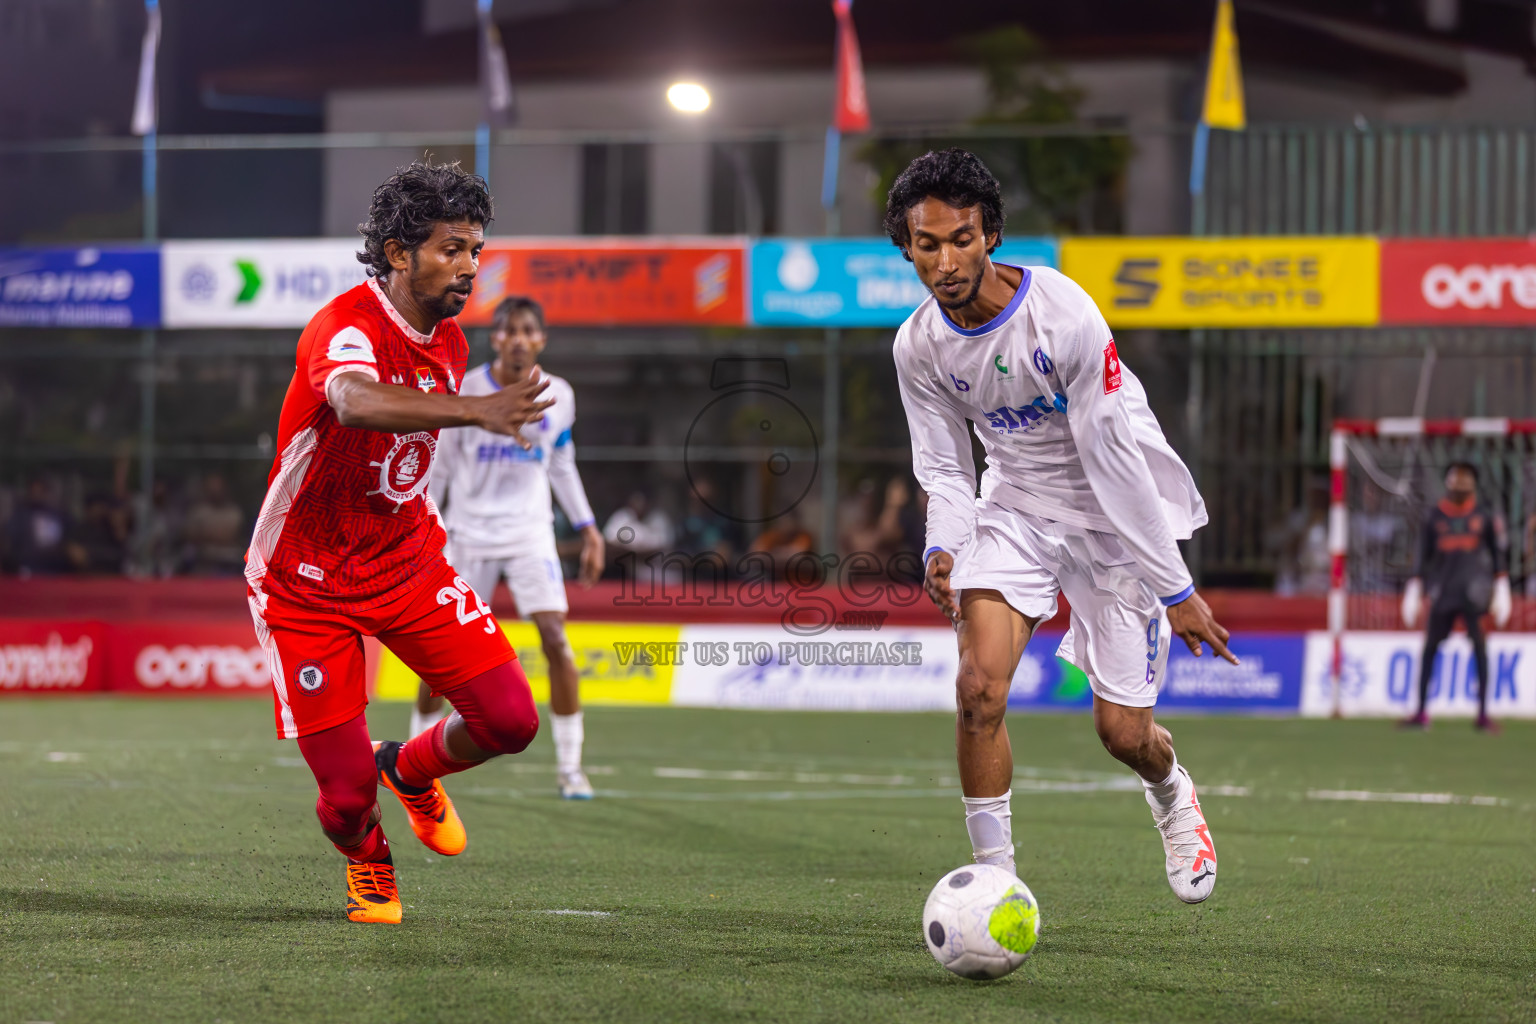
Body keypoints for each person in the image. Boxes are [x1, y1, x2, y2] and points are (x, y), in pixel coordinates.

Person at [887, 149, 1235, 904]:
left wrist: (1176, 588)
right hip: (1015, 510)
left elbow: (1115, 463)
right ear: (907, 248)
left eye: (963, 238)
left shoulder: (1064, 313)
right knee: (977, 688)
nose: (946, 260)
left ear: (991, 235)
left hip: (1115, 521)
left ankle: (1173, 793)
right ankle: (995, 885)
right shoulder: (918, 346)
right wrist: (942, 543)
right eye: (927, 244)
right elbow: (945, 468)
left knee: (1124, 735)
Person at [244, 160, 553, 924]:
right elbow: (350, 401)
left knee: (511, 720)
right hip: (304, 578)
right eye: (453, 249)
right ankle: (369, 862)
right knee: (344, 799)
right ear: (397, 253)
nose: (470, 267)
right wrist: (476, 411)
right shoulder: (344, 325)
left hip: (405, 559)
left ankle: (409, 770)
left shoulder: (446, 338)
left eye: (476, 250)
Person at [414, 295, 606, 800]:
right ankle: (415, 760)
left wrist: (587, 527)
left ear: (541, 339)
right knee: (439, 652)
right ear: (495, 338)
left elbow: (560, 462)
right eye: (509, 331)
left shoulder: (558, 394)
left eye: (528, 331)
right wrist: (425, 529)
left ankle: (570, 768)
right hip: (468, 532)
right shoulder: (468, 390)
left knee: (556, 640)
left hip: (528, 533)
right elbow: (441, 467)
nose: (519, 339)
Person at [1399, 462, 1511, 732]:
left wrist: (1502, 586)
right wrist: (1414, 588)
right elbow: (1422, 556)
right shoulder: (1433, 517)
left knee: (1480, 651)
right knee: (1430, 651)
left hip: (1475, 592)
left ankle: (1483, 714)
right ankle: (1421, 712)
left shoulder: (1484, 516)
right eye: (1455, 477)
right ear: (1447, 481)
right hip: (1442, 591)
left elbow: (1497, 555)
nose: (1460, 483)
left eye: (1465, 478)